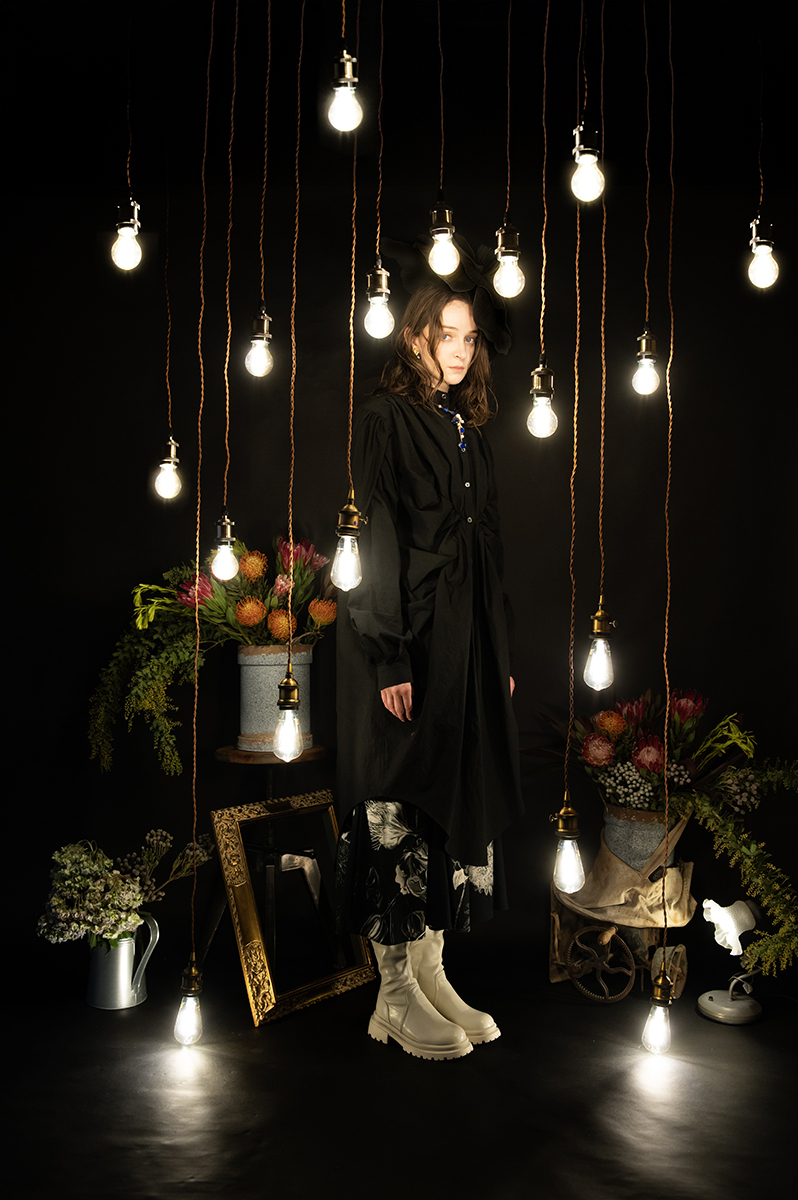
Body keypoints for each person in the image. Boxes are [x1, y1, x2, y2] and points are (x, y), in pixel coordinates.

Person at [336, 283, 523, 1060]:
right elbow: (375, 535)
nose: (461, 350)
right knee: (398, 802)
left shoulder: (468, 430)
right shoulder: (385, 419)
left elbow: (488, 551)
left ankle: (430, 972)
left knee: (447, 799)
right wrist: (388, 653)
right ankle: (393, 994)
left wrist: (497, 654)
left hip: (465, 647)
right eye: (447, 334)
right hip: (407, 641)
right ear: (415, 337)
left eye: (470, 338)